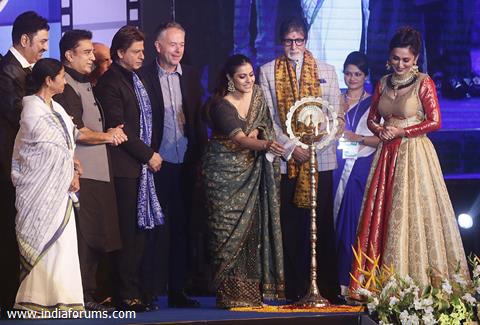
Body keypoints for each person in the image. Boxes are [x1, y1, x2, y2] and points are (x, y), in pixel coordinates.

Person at [349, 27, 470, 299]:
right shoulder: (382, 83)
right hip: (386, 153)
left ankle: (415, 287)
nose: (400, 64)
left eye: (405, 60)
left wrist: (402, 131)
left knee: (410, 213)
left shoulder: (423, 82)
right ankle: (377, 285)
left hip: (413, 154)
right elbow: (372, 119)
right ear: (389, 58)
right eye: (395, 59)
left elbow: (435, 121)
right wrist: (381, 131)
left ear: (415, 59)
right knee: (382, 213)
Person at [259, 17, 344, 303]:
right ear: (281, 42)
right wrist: (292, 147)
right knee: (292, 224)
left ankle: (327, 289)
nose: (294, 46)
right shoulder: (268, 71)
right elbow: (267, 120)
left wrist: (316, 145)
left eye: (299, 41)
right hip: (287, 161)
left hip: (321, 161)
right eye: (288, 41)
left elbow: (336, 116)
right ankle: (294, 289)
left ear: (306, 41)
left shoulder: (328, 71)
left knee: (321, 224)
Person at [202, 54, 285, 308]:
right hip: (223, 176)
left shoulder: (258, 95)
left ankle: (251, 293)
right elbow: (239, 139)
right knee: (227, 234)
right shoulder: (220, 105)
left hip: (252, 174)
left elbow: (261, 122)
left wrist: (260, 131)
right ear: (229, 78)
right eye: (242, 76)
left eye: (251, 75)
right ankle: (229, 295)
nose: (249, 80)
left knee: (251, 232)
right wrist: (266, 144)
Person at [54, 29, 128, 312]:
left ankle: (92, 293)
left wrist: (109, 132)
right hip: (83, 174)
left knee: (99, 237)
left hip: (101, 172)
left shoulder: (87, 83)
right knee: (84, 239)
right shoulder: (67, 87)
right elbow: (77, 132)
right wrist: (108, 136)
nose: (92, 57)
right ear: (68, 55)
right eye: (86, 52)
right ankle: (82, 295)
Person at [138, 22, 207, 308]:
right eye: (173, 44)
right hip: (156, 163)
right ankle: (149, 290)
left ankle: (178, 290)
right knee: (153, 229)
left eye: (182, 43)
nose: (178, 49)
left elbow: (199, 116)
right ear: (158, 46)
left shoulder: (190, 75)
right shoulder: (143, 76)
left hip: (186, 163)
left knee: (182, 228)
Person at [95, 25, 163, 312]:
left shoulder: (136, 79)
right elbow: (119, 130)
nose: (141, 56)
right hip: (125, 168)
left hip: (141, 169)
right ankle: (124, 293)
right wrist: (148, 155)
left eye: (143, 51)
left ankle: (137, 289)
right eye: (135, 52)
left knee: (141, 234)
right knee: (127, 233)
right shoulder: (111, 82)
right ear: (120, 52)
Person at [12, 58, 84, 314]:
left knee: (63, 243)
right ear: (48, 80)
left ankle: (63, 298)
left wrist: (73, 168)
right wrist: (68, 165)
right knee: (43, 242)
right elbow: (45, 149)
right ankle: (35, 300)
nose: (65, 81)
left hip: (60, 189)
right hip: (39, 189)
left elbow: (69, 141)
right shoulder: (31, 108)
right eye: (62, 76)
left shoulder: (58, 109)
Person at [0, 11, 49, 316]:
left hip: (24, 168)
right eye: (42, 42)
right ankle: (7, 300)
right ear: (24, 40)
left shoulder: (26, 72)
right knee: (7, 232)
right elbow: (18, 116)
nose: (45, 48)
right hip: (8, 167)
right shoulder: (8, 71)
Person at [333, 51, 379, 297]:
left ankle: (349, 282)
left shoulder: (373, 104)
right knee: (331, 222)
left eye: (357, 74)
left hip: (359, 167)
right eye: (348, 73)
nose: (352, 78)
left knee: (351, 222)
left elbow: (380, 139)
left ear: (366, 76)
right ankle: (331, 282)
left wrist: (357, 137)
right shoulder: (336, 99)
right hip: (335, 165)